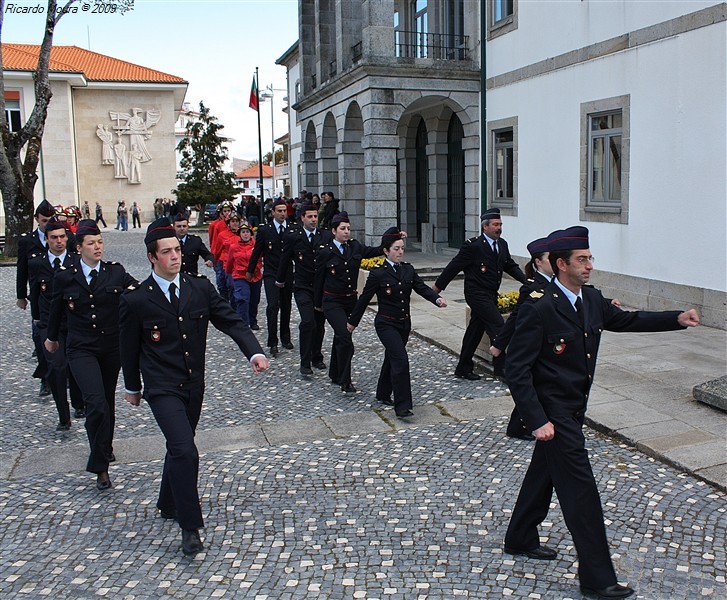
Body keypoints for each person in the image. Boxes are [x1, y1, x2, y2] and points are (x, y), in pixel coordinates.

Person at [502, 226, 700, 600]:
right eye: (582, 260)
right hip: (555, 415)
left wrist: (676, 318)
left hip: (574, 408)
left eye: (590, 258)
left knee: (542, 474)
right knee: (582, 495)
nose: (590, 265)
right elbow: (517, 369)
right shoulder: (540, 307)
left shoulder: (591, 300)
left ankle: (520, 536)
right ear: (562, 265)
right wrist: (537, 419)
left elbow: (628, 320)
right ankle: (597, 579)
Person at [119, 218, 268, 556]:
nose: (176, 256)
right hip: (160, 387)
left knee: (179, 446)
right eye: (167, 252)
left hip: (192, 385)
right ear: (152, 258)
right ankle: (190, 527)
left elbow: (230, 319)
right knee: (186, 449)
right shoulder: (137, 300)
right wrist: (132, 386)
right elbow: (128, 348)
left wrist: (254, 352)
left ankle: (168, 501)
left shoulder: (199, 288)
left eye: (177, 250)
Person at [45, 220, 138, 491]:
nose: (97, 247)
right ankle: (100, 468)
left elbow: (138, 291)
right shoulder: (65, 276)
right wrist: (51, 339)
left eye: (100, 242)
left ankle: (105, 447)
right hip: (81, 348)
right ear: (79, 247)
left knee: (107, 402)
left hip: (111, 348)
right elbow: (56, 311)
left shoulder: (115, 272)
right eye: (91, 243)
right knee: (95, 403)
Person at [347, 227, 446, 418]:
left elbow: (421, 288)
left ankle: (383, 393)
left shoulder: (408, 269)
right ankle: (402, 407)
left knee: (392, 357)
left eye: (402, 248)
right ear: (386, 251)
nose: (400, 252)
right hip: (386, 324)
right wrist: (353, 322)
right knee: (400, 360)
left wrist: (436, 299)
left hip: (403, 324)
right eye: (396, 248)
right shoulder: (378, 274)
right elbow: (364, 299)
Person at [433, 207, 526, 379]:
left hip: (490, 294)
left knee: (474, 331)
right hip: (476, 294)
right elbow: (454, 266)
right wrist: (437, 289)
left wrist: (526, 280)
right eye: (495, 225)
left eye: (500, 224)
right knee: (498, 325)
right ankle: (501, 368)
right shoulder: (473, 246)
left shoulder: (502, 244)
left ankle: (463, 368)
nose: (499, 228)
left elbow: (509, 265)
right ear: (485, 227)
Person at [314, 212, 387, 393]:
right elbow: (318, 280)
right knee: (345, 337)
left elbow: (376, 250)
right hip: (332, 301)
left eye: (348, 228)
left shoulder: (355, 248)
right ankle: (345, 380)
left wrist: (393, 239)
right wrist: (317, 304)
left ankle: (335, 372)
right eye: (342, 229)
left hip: (350, 301)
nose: (346, 232)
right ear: (334, 231)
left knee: (342, 337)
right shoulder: (325, 251)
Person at [490, 236, 553, 440]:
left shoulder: (558, 282)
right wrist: (499, 344)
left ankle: (520, 425)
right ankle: (518, 426)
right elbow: (515, 317)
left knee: (539, 384)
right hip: (532, 345)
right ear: (538, 262)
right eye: (550, 258)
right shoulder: (531, 287)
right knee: (533, 385)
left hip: (548, 343)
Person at [28, 218, 85, 430]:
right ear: (47, 240)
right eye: (54, 238)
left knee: (75, 365)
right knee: (57, 367)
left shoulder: (76, 261)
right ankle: (63, 414)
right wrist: (37, 322)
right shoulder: (37, 263)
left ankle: (79, 403)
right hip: (48, 324)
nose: (59, 241)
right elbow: (35, 293)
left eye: (62, 237)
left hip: (72, 323)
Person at [276, 203, 331, 376]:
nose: (314, 220)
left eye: (315, 216)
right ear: (302, 218)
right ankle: (305, 361)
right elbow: (285, 259)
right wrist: (279, 280)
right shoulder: (294, 237)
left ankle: (317, 356)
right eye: (310, 216)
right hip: (302, 286)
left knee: (320, 324)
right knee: (308, 322)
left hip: (320, 287)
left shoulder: (326, 236)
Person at [16, 199, 57, 398]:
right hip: (38, 298)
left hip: (60, 296)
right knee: (40, 340)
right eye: (44, 220)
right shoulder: (27, 241)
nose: (47, 223)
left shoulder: (61, 237)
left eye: (50, 219)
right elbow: (22, 269)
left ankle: (63, 377)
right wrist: (20, 296)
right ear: (36, 220)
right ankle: (46, 379)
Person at [247, 198, 293, 357]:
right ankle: (272, 341)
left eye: (284, 211)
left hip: (287, 274)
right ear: (273, 212)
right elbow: (257, 251)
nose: (282, 214)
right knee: (273, 306)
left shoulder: (292, 229)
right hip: (271, 273)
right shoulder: (265, 230)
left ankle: (285, 338)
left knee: (287, 306)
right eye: (279, 211)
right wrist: (250, 269)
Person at [227, 223, 263, 327]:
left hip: (255, 276)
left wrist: (253, 271)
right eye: (243, 232)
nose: (245, 234)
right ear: (239, 234)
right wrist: (229, 275)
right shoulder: (234, 247)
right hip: (240, 276)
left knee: (254, 300)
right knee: (242, 298)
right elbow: (230, 263)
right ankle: (243, 323)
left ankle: (253, 320)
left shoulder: (256, 246)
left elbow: (260, 261)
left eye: (247, 232)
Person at [208, 201, 234, 298]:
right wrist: (214, 257)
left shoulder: (236, 223)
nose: (227, 213)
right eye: (225, 211)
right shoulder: (216, 225)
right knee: (221, 280)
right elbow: (213, 242)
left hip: (232, 257)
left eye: (229, 211)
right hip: (221, 257)